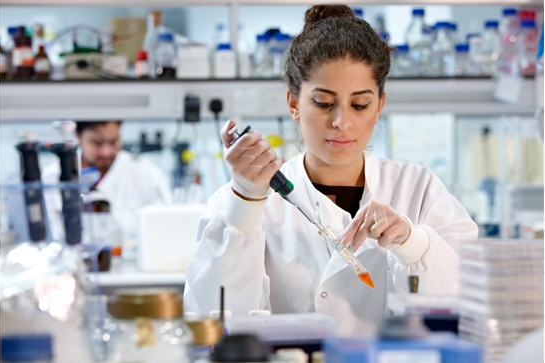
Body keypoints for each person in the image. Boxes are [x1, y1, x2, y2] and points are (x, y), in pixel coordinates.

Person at [184, 5, 477, 335]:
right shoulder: (244, 202)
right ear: (294, 103)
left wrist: (412, 242)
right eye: (324, 103)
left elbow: (469, 307)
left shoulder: (417, 188)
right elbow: (211, 324)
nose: (342, 122)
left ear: (379, 105)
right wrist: (246, 202)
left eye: (360, 104)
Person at [42, 120, 172, 242]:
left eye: (113, 141)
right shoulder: (53, 177)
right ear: (78, 136)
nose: (106, 152)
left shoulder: (147, 174)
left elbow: (165, 229)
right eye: (97, 143)